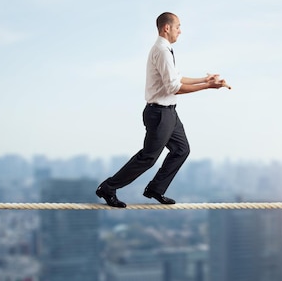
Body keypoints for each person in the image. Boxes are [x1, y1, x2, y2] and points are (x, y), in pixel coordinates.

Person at [96, 12, 229, 208]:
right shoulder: (162, 50)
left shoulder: (165, 49)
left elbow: (177, 78)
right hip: (159, 114)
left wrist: (205, 79)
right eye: (178, 27)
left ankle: (156, 189)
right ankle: (108, 187)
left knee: (182, 150)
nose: (180, 31)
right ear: (167, 28)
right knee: (148, 158)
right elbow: (173, 87)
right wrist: (209, 88)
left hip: (169, 113)